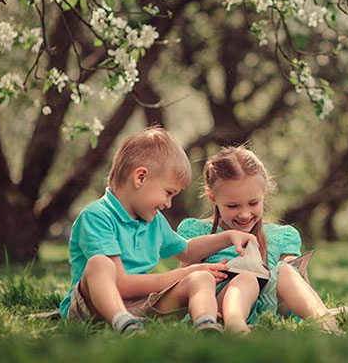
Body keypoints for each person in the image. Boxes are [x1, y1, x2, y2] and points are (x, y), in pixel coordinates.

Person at [59, 127, 257, 334]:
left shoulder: (153, 221)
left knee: (202, 278)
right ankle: (121, 321)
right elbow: (121, 284)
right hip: (92, 309)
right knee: (100, 264)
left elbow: (186, 251)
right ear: (140, 178)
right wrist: (186, 271)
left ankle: (206, 324)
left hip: (139, 304)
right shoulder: (97, 216)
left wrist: (227, 237)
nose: (169, 204)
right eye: (168, 193)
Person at [177, 146, 340, 334]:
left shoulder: (282, 236)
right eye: (233, 206)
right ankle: (236, 327)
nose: (245, 214)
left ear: (264, 195)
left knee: (286, 269)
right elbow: (183, 276)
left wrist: (291, 270)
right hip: (218, 304)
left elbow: (299, 280)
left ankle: (326, 324)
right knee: (246, 278)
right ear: (212, 197)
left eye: (253, 203)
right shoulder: (197, 231)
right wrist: (219, 249)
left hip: (267, 306)